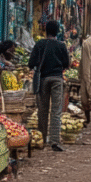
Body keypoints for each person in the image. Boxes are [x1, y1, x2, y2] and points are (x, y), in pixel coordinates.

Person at [29, 20, 70, 152]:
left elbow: (31, 63)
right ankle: (54, 140)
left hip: (43, 80)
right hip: (57, 79)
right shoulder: (61, 45)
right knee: (56, 111)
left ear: (45, 31)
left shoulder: (40, 44)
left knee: (42, 110)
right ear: (58, 32)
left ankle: (41, 137)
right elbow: (67, 63)